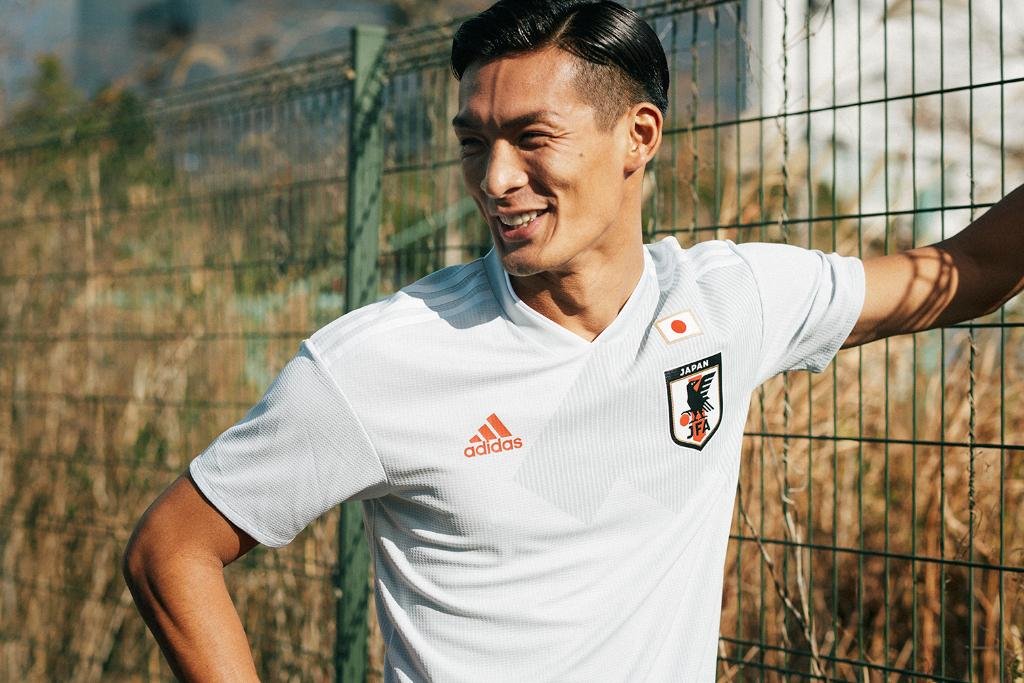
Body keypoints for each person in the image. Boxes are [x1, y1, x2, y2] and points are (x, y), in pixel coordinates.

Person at [121, 0, 1024, 680]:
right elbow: (172, 546)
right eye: (474, 143)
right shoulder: (378, 361)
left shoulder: (729, 300)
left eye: (532, 138)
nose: (495, 178)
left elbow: (968, 269)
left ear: (638, 137)